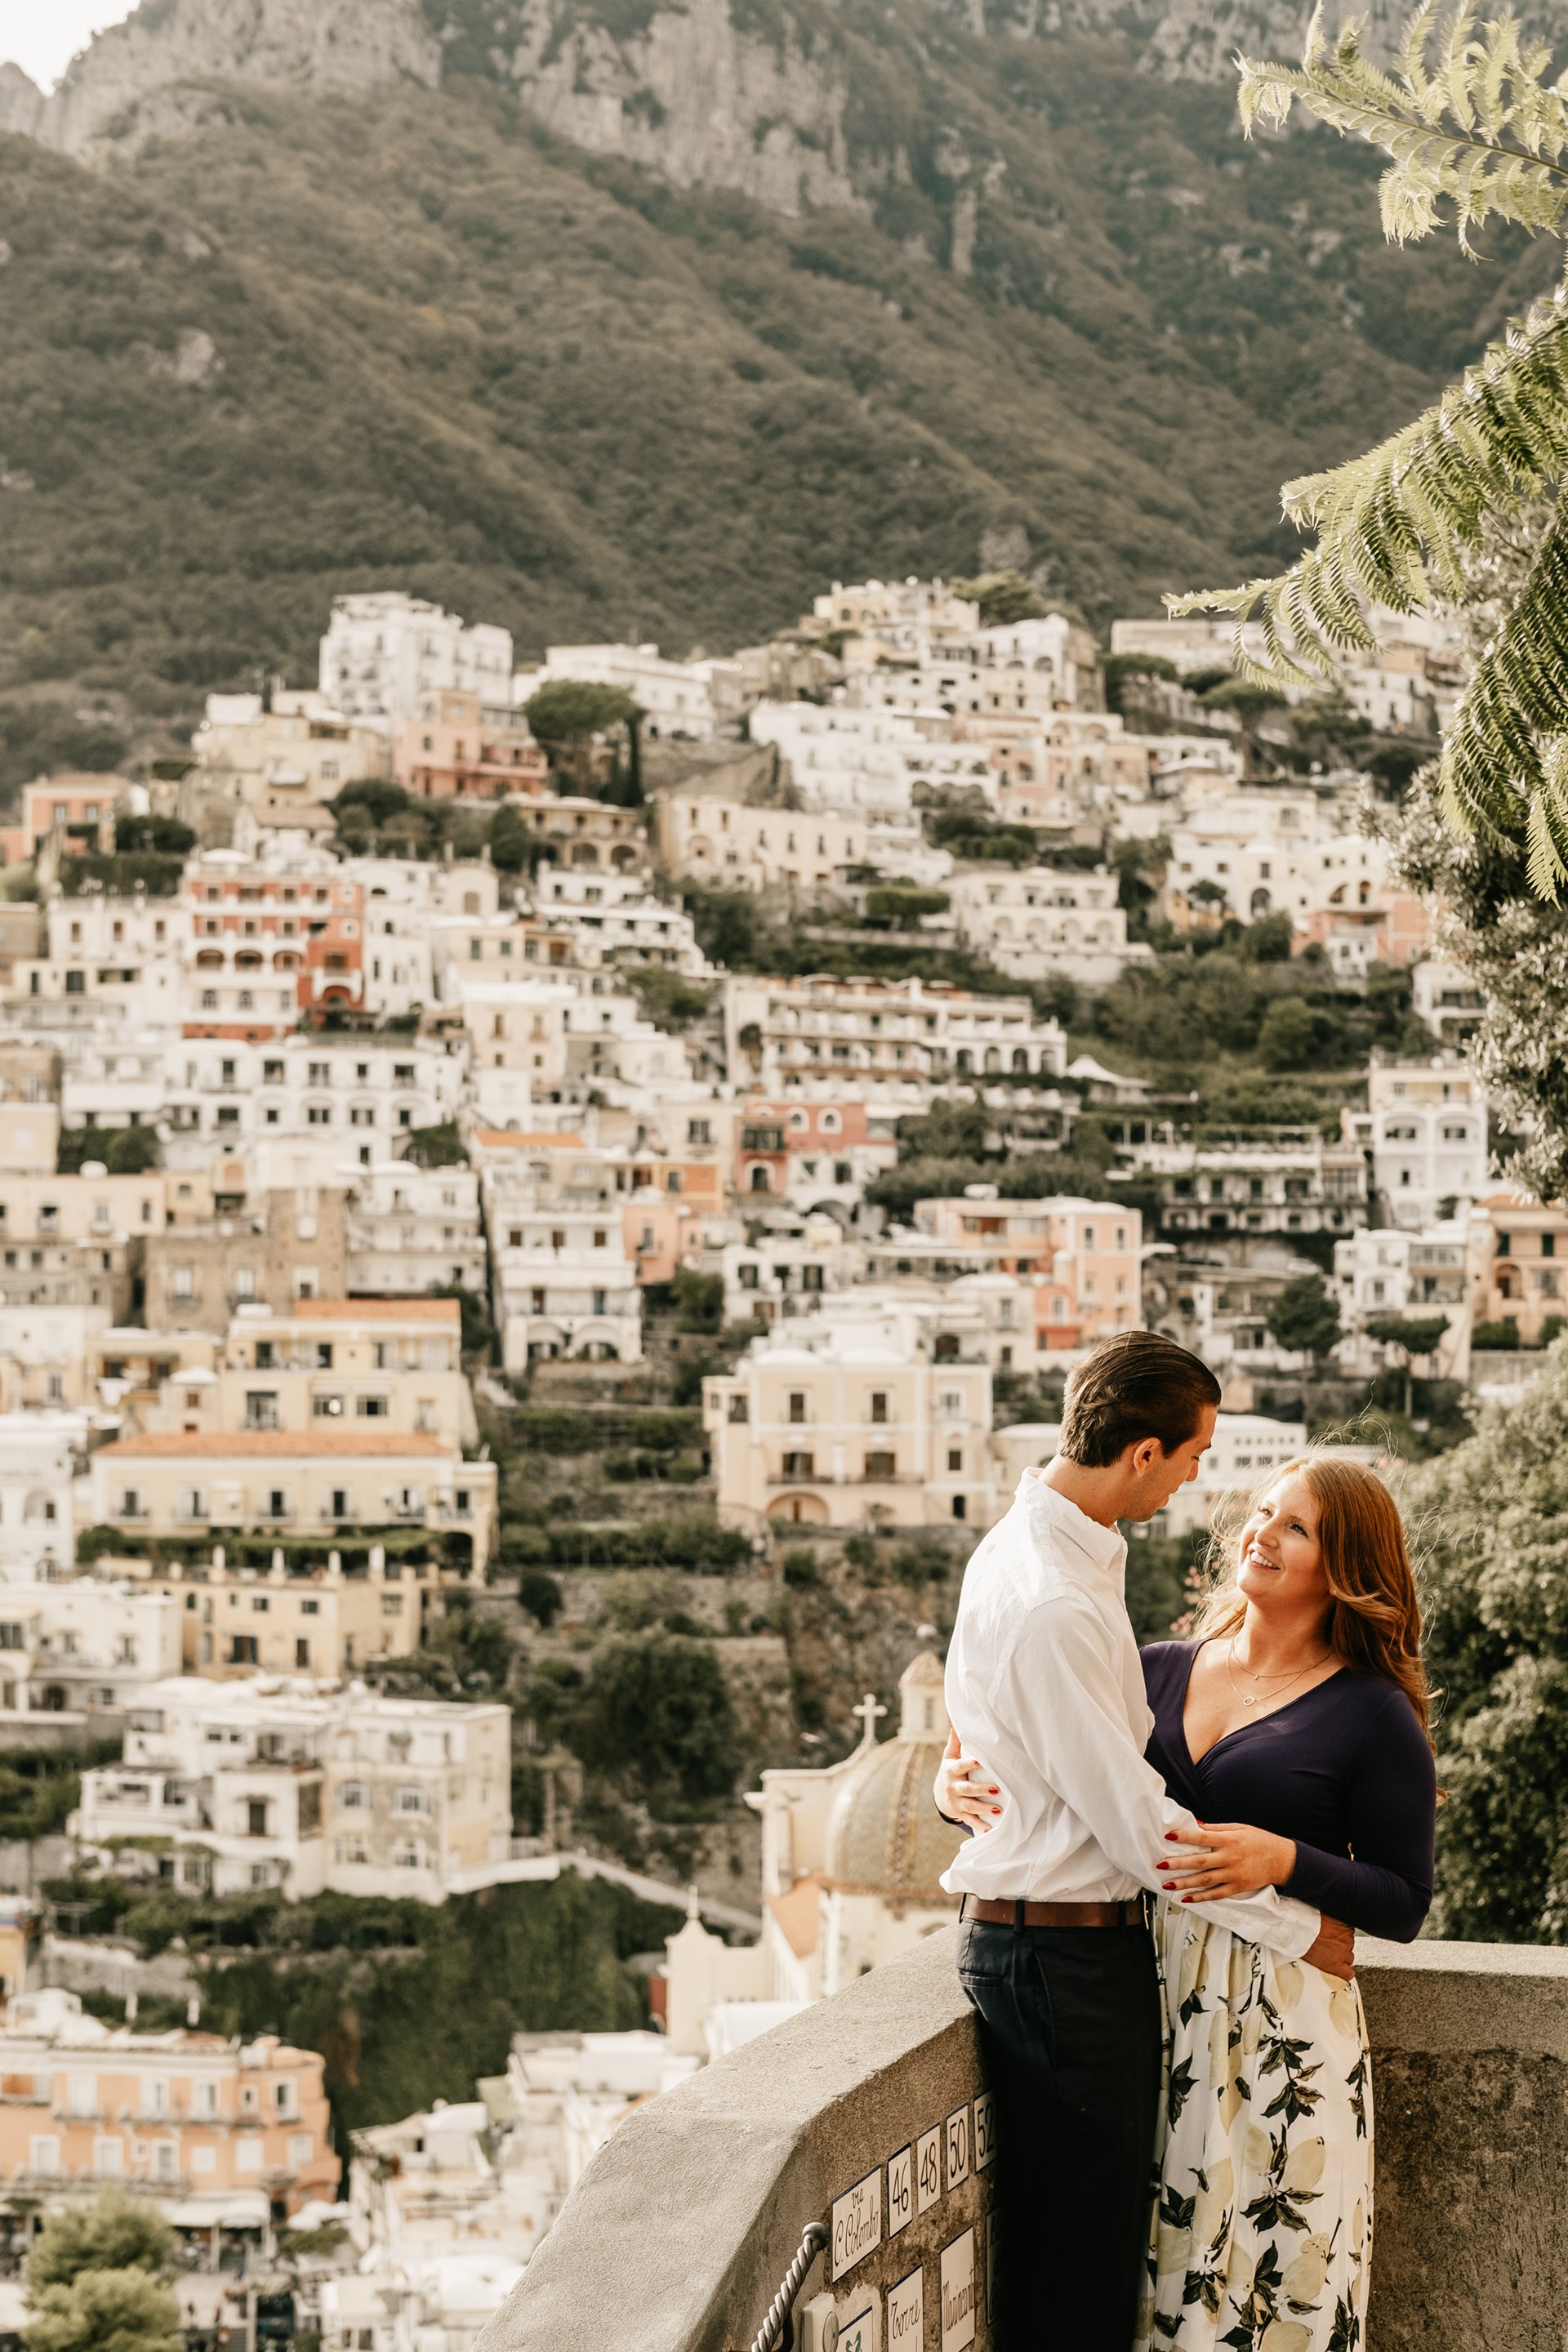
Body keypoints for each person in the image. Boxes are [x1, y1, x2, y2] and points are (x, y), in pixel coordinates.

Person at [941, 1452, 1437, 2352]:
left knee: (1270, 2284)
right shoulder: (1159, 1669)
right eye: (1261, 1511)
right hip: (1148, 2002)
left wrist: (1286, 1859)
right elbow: (1047, 1751)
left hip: (1285, 2030)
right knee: (1153, 2278)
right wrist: (956, 1785)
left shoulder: (1373, 1714)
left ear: (1347, 1566)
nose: (1262, 1533)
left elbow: (1403, 1903)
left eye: (1297, 1527)